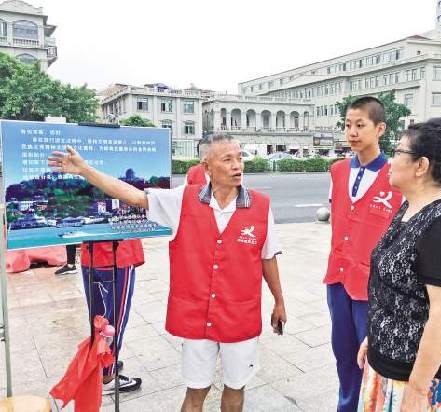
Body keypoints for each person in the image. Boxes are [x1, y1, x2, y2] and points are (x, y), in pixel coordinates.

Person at [48, 133, 287, 412]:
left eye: (239, 158)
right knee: (196, 390)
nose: (237, 166)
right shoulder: (182, 201)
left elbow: (268, 256)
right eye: (227, 159)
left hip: (240, 316)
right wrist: (85, 170)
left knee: (236, 387)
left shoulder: (260, 206)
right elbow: (134, 196)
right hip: (198, 317)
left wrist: (279, 300)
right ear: (207, 167)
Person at [357, 118, 441, 411]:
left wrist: (419, 392)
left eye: (398, 153)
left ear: (421, 166)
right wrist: (375, 336)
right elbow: (396, 290)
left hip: (418, 380)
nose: (390, 162)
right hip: (389, 365)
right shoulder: (410, 207)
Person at [324, 96, 402, 412]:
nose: (352, 132)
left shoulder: (396, 176)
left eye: (360, 125)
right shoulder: (338, 170)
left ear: (379, 128)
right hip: (338, 281)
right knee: (343, 354)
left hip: (373, 288)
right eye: (348, 125)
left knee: (371, 359)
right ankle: (346, 406)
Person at [80, 239, 145, 394]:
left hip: (90, 254)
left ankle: (102, 364)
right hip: (116, 255)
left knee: (98, 318)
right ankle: (107, 376)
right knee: (115, 321)